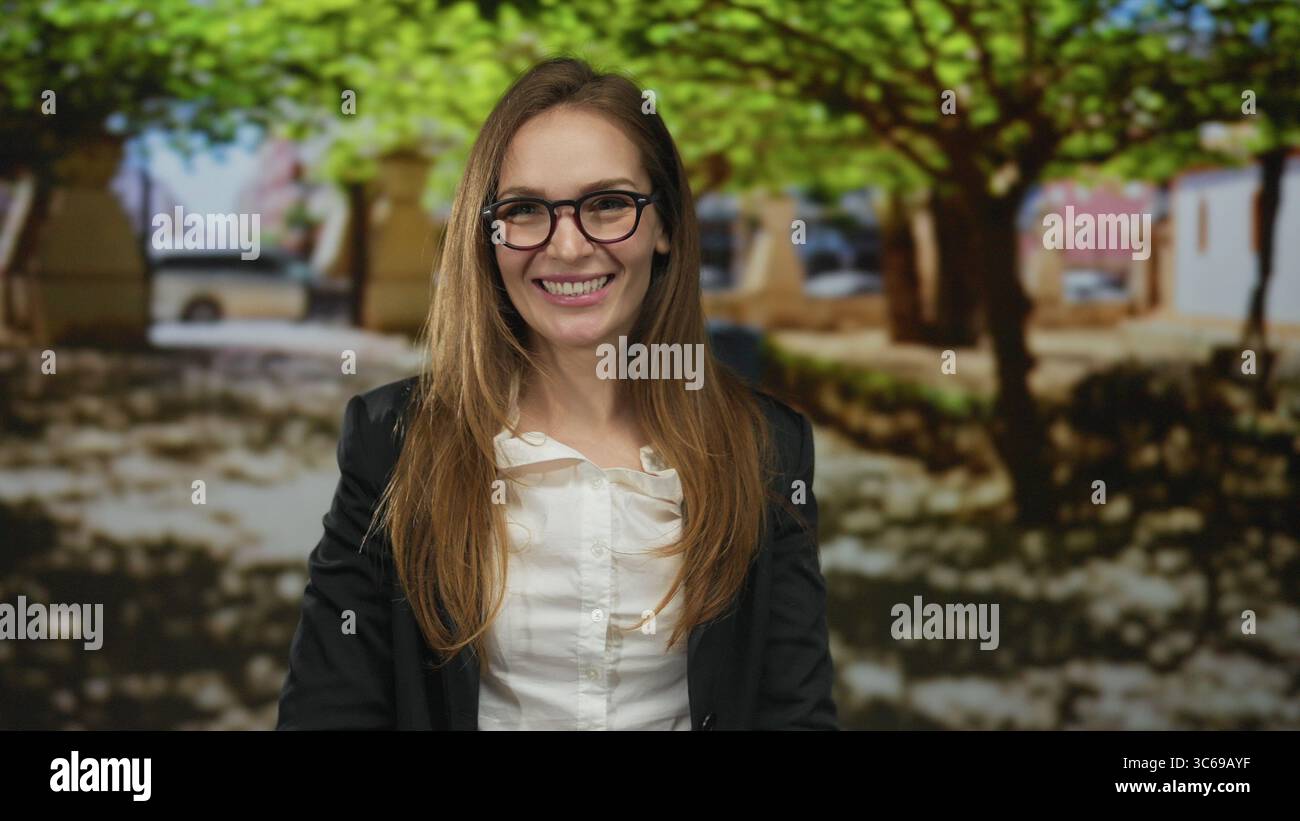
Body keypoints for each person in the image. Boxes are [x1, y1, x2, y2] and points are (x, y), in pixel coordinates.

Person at [277, 56, 837, 730]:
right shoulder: (392, 441)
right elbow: (328, 714)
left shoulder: (767, 447)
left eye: (607, 204)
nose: (567, 246)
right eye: (525, 209)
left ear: (664, 227)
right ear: (488, 238)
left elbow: (794, 715)